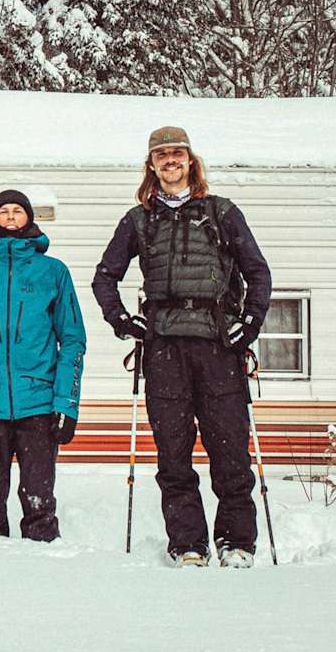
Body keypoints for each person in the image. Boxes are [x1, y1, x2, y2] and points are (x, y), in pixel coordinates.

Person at [91, 127, 272, 568]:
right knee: (173, 455)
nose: (170, 160)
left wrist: (249, 324)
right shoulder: (138, 220)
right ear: (151, 165)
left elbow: (258, 272)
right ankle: (188, 544)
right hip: (164, 350)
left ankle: (237, 543)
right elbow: (104, 277)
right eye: (161, 155)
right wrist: (122, 321)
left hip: (217, 346)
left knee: (230, 452)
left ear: (190, 160)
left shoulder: (222, 212)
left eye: (177, 153)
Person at [0, 189, 86, 542]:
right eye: (3, 211)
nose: (10, 216)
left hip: (38, 404)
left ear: (28, 218)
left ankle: (42, 562)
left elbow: (72, 340)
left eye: (17, 211)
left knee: (39, 502)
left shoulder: (52, 271)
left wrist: (66, 403)